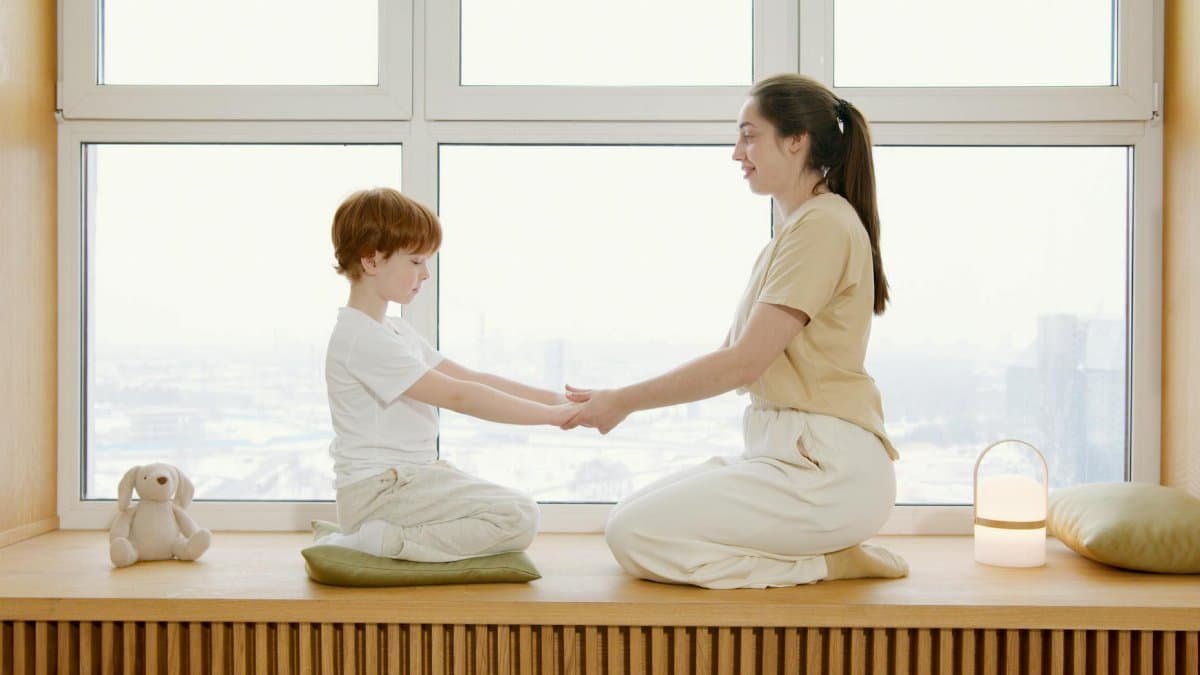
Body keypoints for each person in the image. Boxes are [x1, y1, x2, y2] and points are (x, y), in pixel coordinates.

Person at [562, 74, 908, 589]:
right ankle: (825, 556)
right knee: (632, 513)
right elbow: (731, 356)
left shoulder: (824, 226)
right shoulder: (791, 236)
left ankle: (826, 563)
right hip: (790, 453)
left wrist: (624, 401)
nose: (736, 153)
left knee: (633, 533)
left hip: (827, 471)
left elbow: (743, 364)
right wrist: (618, 398)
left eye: (749, 135)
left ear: (797, 140)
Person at [320, 187, 580, 562]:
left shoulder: (393, 331)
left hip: (405, 481)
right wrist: (552, 418)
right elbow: (459, 396)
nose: (425, 274)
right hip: (380, 494)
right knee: (519, 515)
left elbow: (471, 378)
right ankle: (378, 539)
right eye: (415, 261)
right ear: (372, 260)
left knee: (516, 511)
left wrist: (556, 400)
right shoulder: (361, 338)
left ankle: (381, 535)